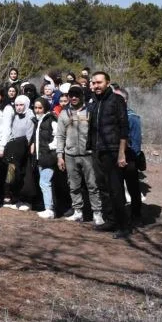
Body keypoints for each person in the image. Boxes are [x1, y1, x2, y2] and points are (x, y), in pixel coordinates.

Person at [88, 71, 131, 239]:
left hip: (112, 151)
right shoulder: (95, 102)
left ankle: (123, 226)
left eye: (99, 82)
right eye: (94, 83)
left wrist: (121, 154)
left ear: (107, 82)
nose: (96, 86)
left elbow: (124, 128)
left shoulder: (116, 100)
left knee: (116, 189)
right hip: (97, 150)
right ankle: (110, 220)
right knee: (103, 188)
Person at [56, 84, 103, 225]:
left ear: (82, 96)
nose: (74, 97)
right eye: (71, 95)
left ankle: (97, 213)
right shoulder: (64, 113)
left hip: (88, 154)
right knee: (73, 185)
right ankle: (78, 212)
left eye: (77, 95)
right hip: (70, 155)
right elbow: (60, 136)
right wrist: (60, 156)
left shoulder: (90, 111)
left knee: (93, 185)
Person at [115, 87, 144, 226]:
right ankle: (120, 217)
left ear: (125, 100)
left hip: (129, 158)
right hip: (114, 157)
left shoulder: (132, 117)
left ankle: (136, 215)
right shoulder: (112, 116)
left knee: (133, 187)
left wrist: (131, 158)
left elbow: (136, 143)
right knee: (117, 188)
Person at [2, 95, 35, 211]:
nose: (19, 107)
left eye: (21, 105)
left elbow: (29, 137)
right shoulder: (15, 117)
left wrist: (22, 146)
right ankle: (13, 197)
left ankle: (26, 200)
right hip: (13, 150)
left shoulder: (30, 117)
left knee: (24, 176)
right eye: (16, 105)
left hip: (24, 151)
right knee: (11, 175)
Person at [31, 98, 58, 219]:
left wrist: (49, 147)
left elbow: (58, 135)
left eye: (40, 108)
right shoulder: (39, 121)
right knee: (44, 182)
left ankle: (49, 209)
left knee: (45, 182)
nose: (37, 110)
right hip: (41, 156)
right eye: (35, 108)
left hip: (49, 155)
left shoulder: (50, 119)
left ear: (45, 108)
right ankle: (49, 207)